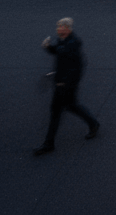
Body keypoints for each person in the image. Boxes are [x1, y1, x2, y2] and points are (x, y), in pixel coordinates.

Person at [33, 18, 99, 155]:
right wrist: (49, 47)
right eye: (57, 26)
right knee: (70, 107)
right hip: (63, 85)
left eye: (60, 27)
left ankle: (48, 144)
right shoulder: (65, 40)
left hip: (65, 86)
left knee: (58, 112)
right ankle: (93, 123)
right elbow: (59, 51)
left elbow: (77, 67)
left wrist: (65, 82)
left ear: (68, 29)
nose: (58, 29)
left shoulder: (72, 45)